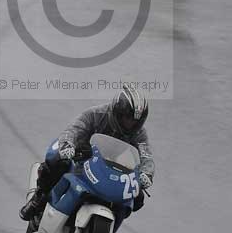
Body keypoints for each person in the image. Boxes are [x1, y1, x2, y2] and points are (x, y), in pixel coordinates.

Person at [20, 83, 155, 221]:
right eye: (127, 118)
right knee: (56, 160)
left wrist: (147, 172)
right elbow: (74, 129)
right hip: (82, 157)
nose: (130, 124)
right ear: (117, 112)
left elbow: (146, 155)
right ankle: (38, 198)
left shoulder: (139, 133)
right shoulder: (95, 114)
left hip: (112, 167)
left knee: (137, 199)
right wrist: (67, 145)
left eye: (135, 121)